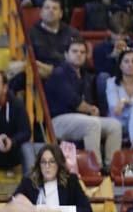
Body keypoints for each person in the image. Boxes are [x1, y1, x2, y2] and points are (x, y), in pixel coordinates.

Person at [45, 39, 123, 169]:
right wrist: (91, 109)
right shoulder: (59, 73)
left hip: (81, 119)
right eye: (74, 51)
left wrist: (92, 110)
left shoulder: (86, 75)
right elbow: (75, 102)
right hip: (58, 121)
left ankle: (112, 167)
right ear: (66, 54)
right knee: (92, 123)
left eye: (82, 52)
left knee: (114, 125)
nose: (79, 54)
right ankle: (95, 168)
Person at [12, 144, 93, 212]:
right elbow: (12, 205)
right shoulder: (29, 182)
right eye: (43, 162)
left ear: (59, 164)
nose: (47, 166)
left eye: (52, 162)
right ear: (39, 165)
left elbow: (87, 210)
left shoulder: (71, 182)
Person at [28, 0, 81, 79]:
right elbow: (30, 59)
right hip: (42, 78)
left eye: (55, 8)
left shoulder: (72, 33)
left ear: (61, 14)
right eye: (47, 8)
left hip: (68, 77)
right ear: (41, 13)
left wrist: (53, 70)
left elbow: (78, 59)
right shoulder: (31, 33)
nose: (51, 10)